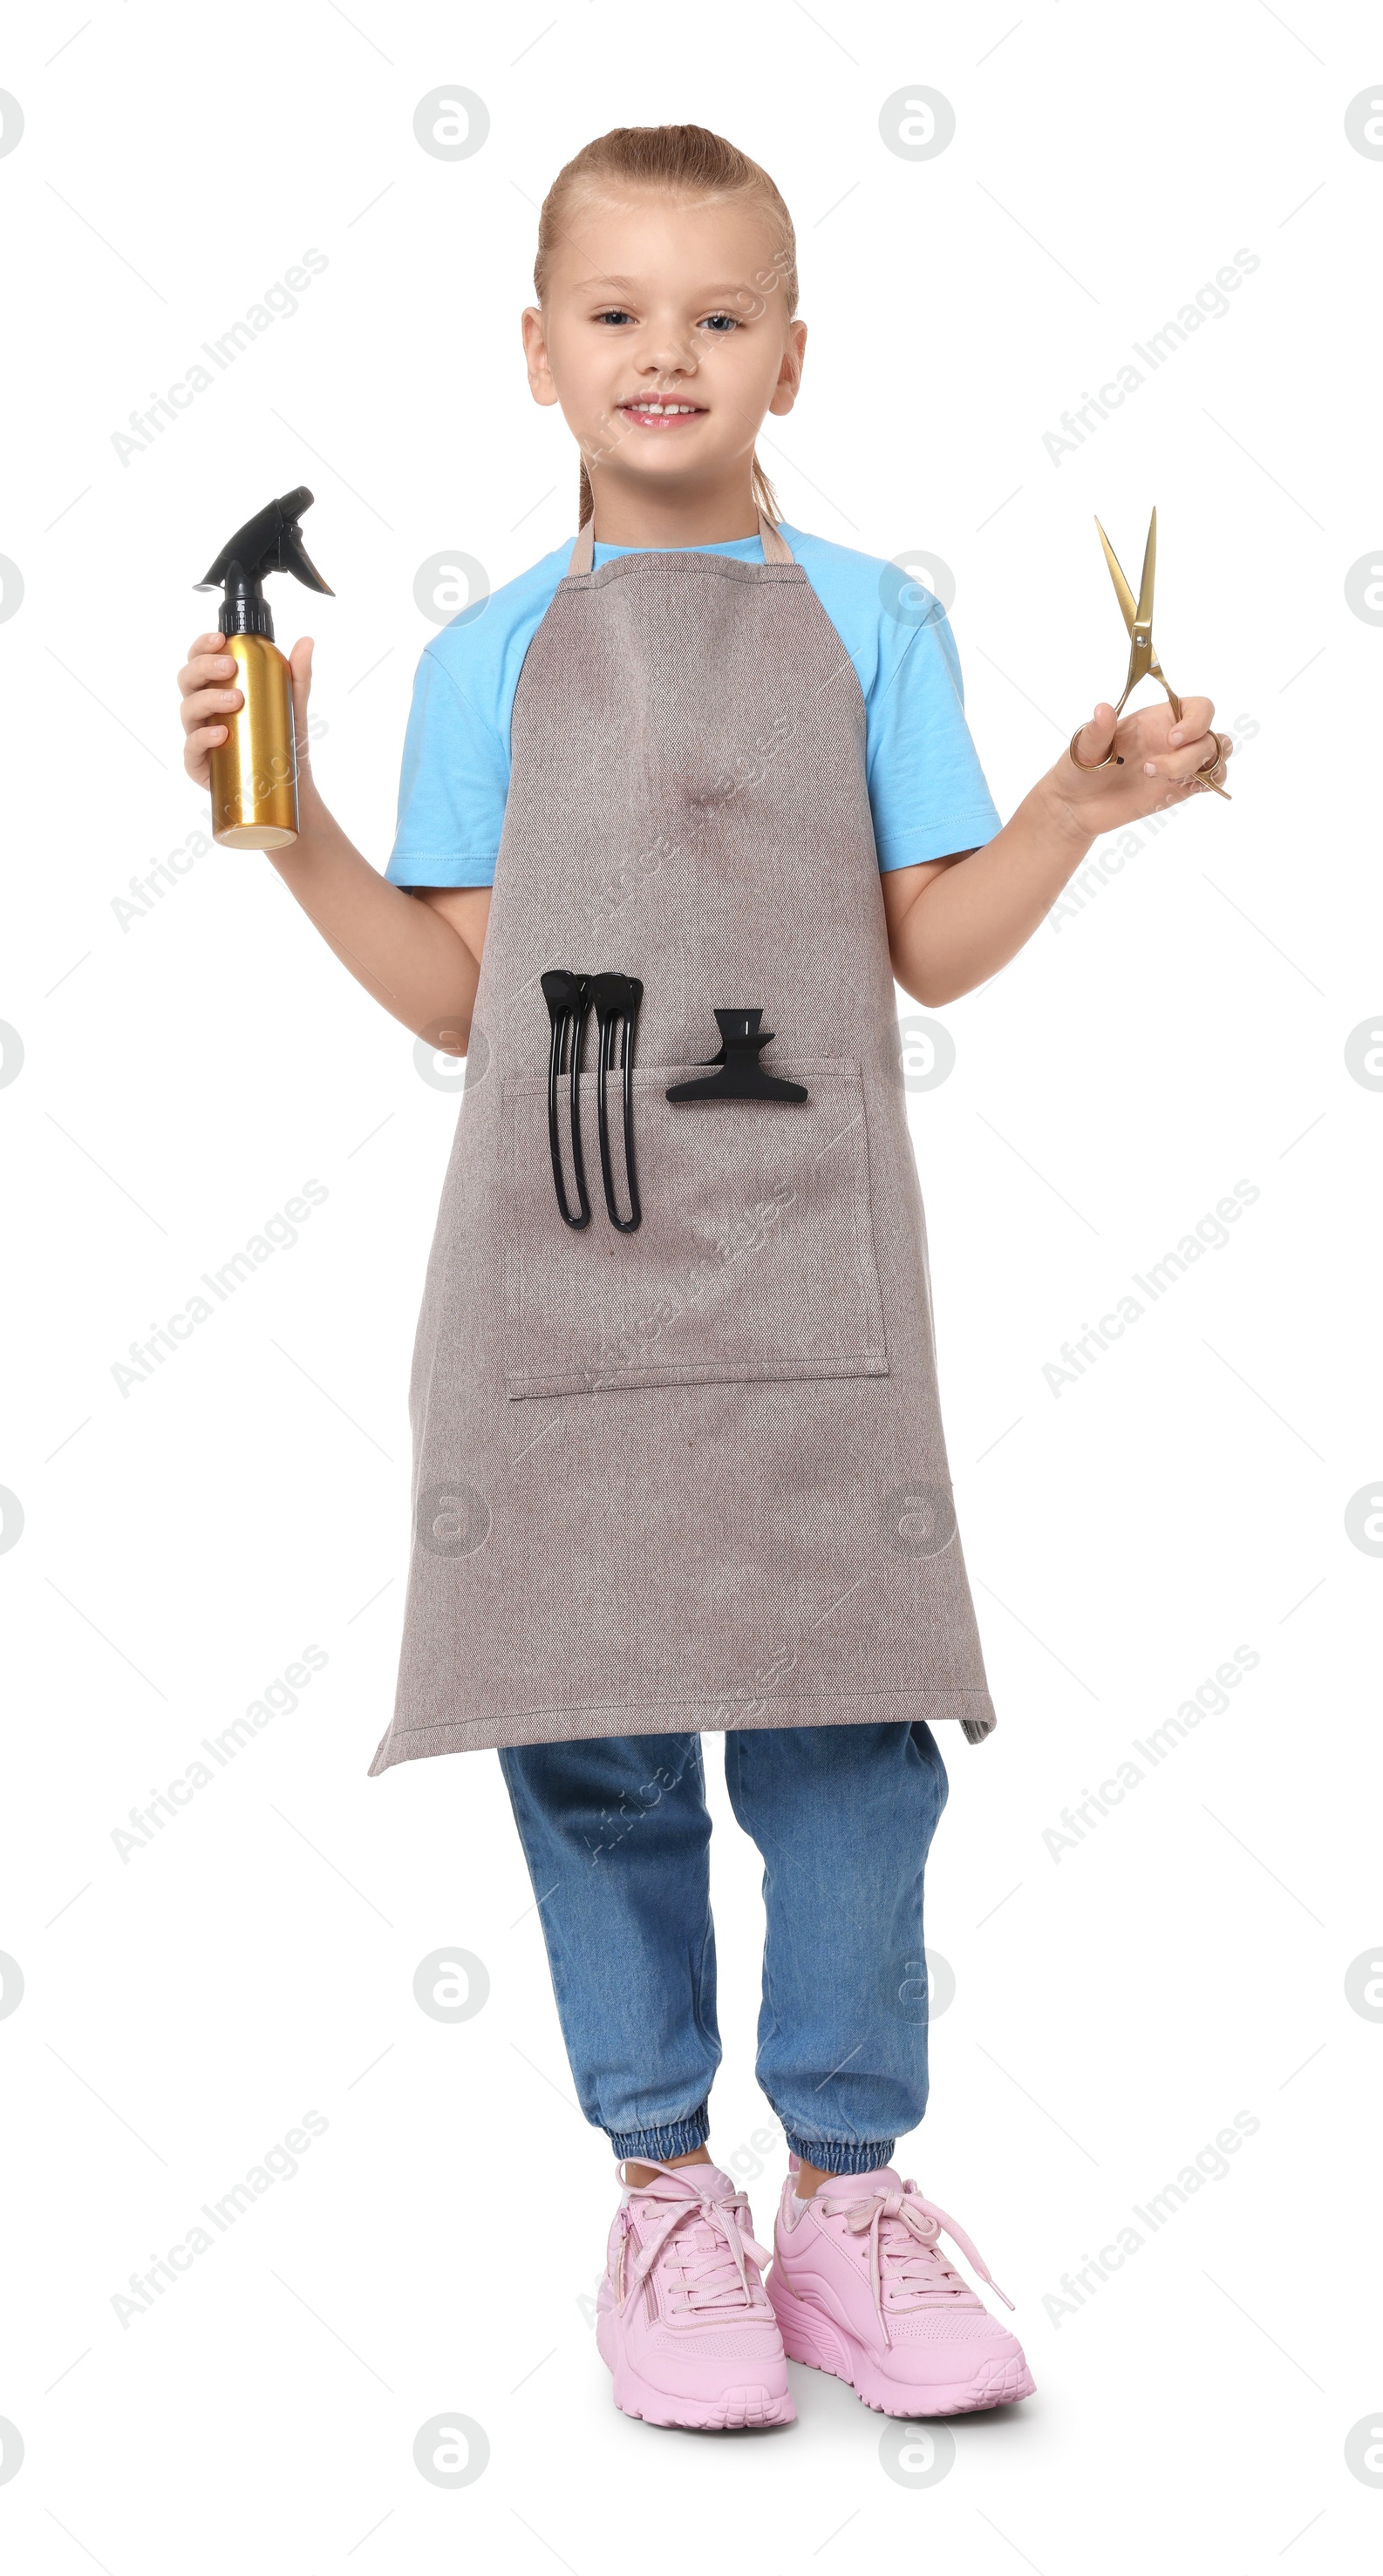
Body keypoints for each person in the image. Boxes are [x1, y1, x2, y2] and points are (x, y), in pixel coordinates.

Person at [177, 122, 1232, 2434]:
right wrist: (289, 835)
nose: (671, 352)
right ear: (538, 355)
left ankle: (849, 2197)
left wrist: (1065, 809)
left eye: (721, 314)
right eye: (622, 313)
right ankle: (667, 2193)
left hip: (805, 1281)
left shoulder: (875, 621)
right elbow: (462, 994)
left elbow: (915, 947)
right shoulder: (485, 655)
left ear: (792, 357)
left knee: (850, 1735)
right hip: (558, 1290)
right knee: (598, 1740)